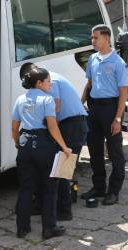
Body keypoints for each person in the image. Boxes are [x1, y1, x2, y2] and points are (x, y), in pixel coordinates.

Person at [20, 62, 88, 221]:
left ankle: (64, 211)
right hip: (70, 124)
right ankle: (46, 205)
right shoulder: (48, 80)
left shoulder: (52, 80)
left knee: (62, 170)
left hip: (72, 125)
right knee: (52, 168)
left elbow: (55, 109)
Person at [12, 67, 72, 239]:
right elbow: (52, 127)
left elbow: (14, 127)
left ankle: (22, 228)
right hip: (44, 146)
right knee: (49, 188)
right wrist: (64, 147)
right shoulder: (47, 100)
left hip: (25, 145)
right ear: (39, 83)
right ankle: (49, 228)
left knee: (25, 188)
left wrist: (18, 143)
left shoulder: (20, 99)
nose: (50, 84)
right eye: (48, 81)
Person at [81, 24, 128, 205]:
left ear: (106, 38)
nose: (92, 41)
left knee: (115, 151)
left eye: (95, 37)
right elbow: (89, 84)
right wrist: (81, 103)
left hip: (111, 108)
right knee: (94, 149)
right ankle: (98, 187)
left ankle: (114, 191)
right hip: (94, 108)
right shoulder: (92, 59)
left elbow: (123, 92)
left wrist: (118, 117)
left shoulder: (118, 63)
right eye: (92, 37)